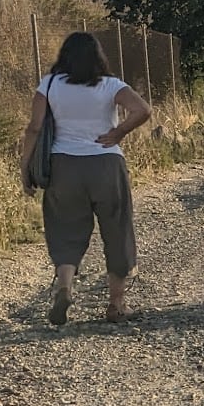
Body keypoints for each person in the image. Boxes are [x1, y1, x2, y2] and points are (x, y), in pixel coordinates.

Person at [18, 32, 153, 326]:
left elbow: (34, 128)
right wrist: (118, 132)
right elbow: (143, 109)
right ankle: (116, 305)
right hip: (106, 163)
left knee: (65, 229)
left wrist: (25, 166)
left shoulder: (50, 84)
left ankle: (65, 287)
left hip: (64, 167)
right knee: (117, 230)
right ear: (98, 57)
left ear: (64, 55)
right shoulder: (111, 85)